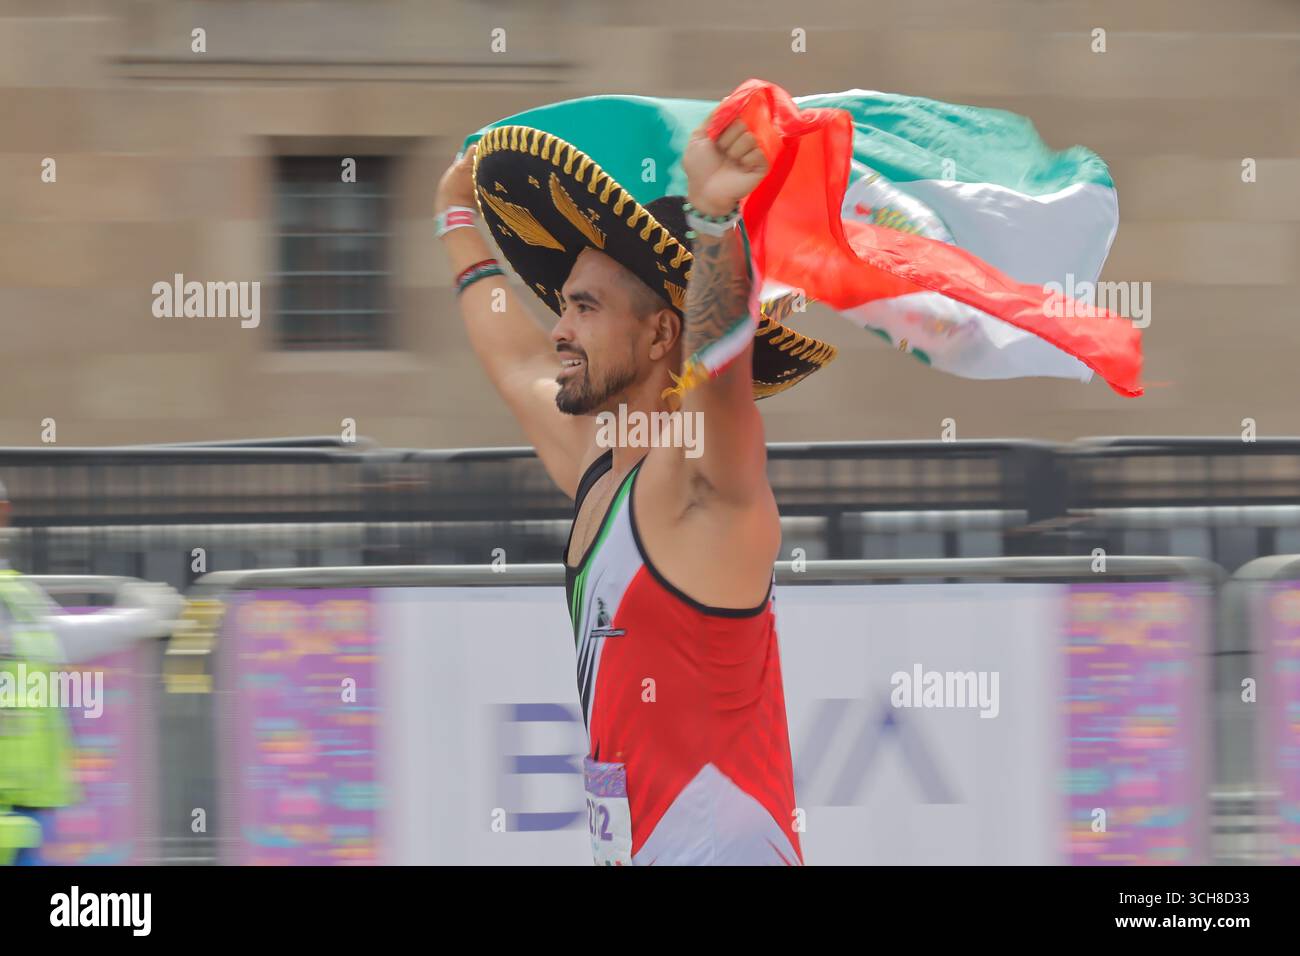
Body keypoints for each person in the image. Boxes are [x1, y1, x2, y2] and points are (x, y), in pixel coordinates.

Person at [436, 110, 835, 864]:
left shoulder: (700, 483)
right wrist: (453, 212)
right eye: (564, 305)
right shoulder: (601, 470)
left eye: (584, 307)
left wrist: (715, 218)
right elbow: (513, 362)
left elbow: (721, 374)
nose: (559, 329)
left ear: (660, 336)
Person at [0, 479, 183, 865]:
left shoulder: (13, 594)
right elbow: (61, 640)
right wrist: (141, 619)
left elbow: (60, 640)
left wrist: (138, 619)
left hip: (22, 805)